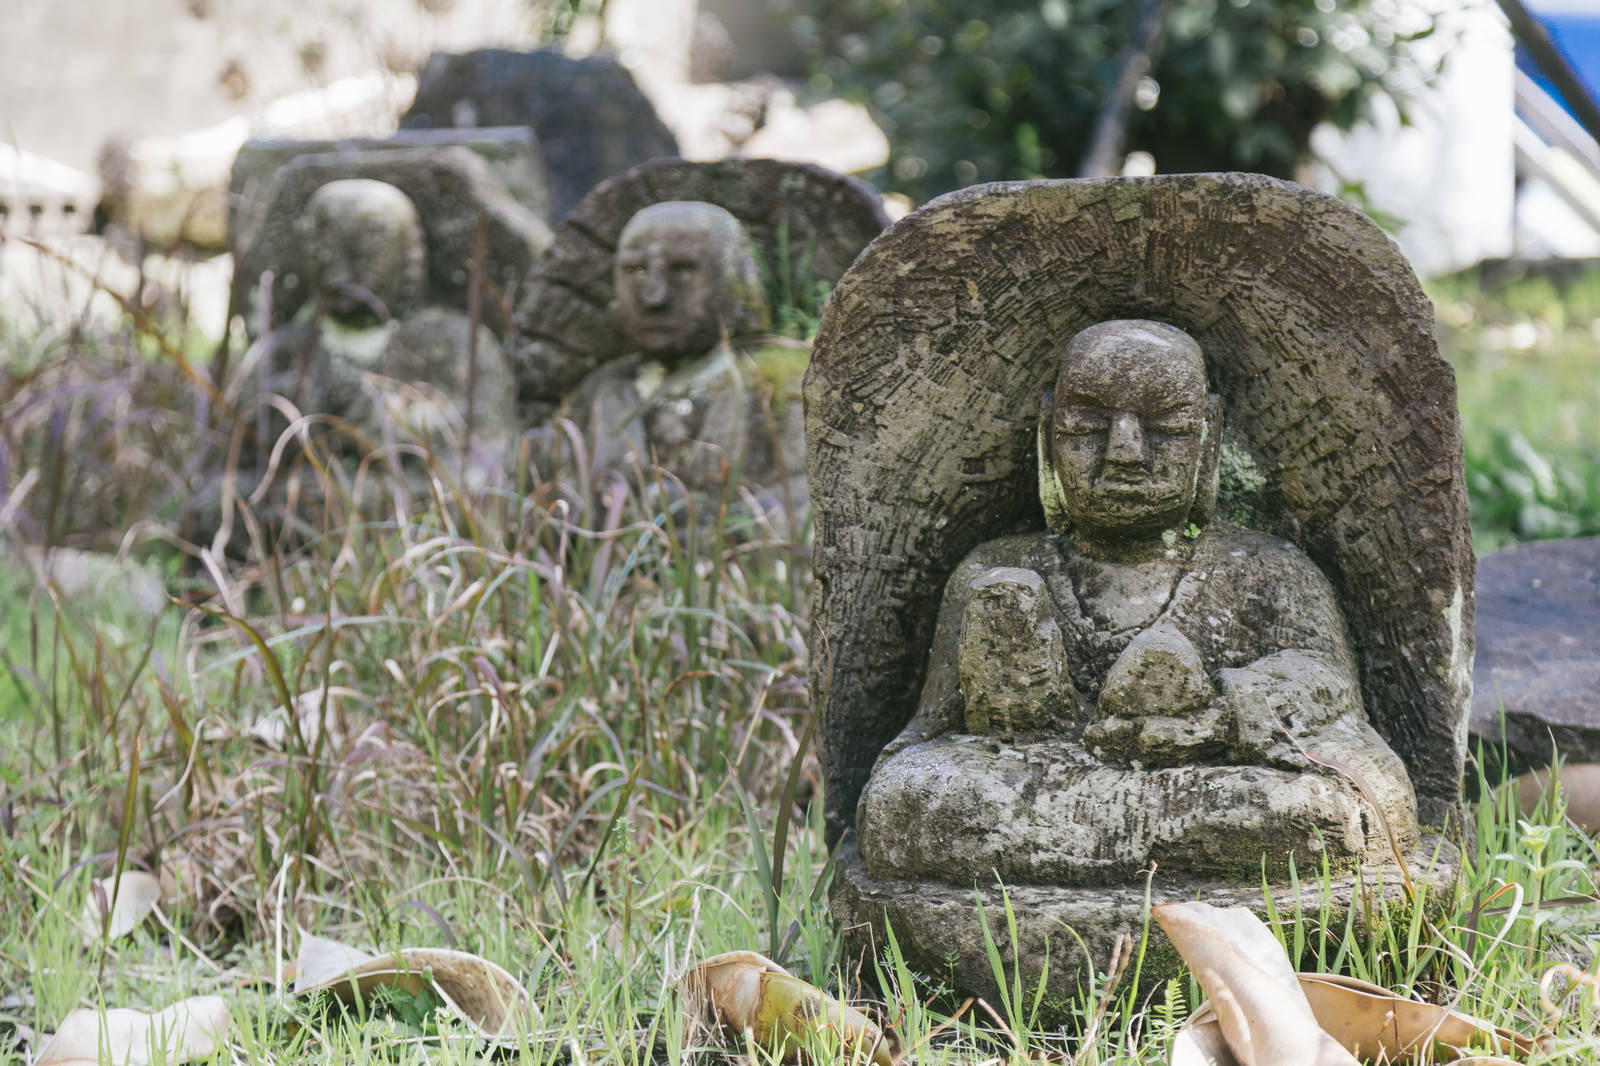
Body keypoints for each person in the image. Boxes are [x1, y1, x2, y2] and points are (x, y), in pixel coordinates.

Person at [854, 320, 1418, 886]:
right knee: (907, 797)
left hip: (1203, 785)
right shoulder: (994, 570)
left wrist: (1217, 716)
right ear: (1049, 434)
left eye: (1166, 427)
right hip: (1039, 781)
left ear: (1208, 433)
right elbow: (928, 735)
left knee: (1329, 806)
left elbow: (1334, 701)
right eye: (1089, 426)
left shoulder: (1266, 569)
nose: (1125, 451)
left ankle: (1098, 860)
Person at [550, 201, 804, 513]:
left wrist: (713, 524)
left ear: (737, 275)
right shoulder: (600, 393)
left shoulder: (775, 389)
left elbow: (809, 505)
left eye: (683, 269)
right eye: (635, 269)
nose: (653, 295)